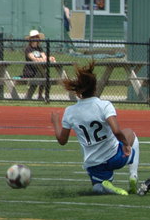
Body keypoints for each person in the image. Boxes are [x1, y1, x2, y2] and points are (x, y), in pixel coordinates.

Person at [50, 61, 140, 195]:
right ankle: (133, 176)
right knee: (130, 133)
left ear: (78, 91)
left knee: (97, 187)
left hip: (93, 163)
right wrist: (126, 144)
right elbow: (116, 131)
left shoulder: (70, 111)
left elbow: (62, 141)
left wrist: (55, 122)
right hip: (114, 157)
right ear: (95, 87)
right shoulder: (104, 105)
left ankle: (105, 186)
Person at [23, 30, 56, 100]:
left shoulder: (39, 48)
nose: (36, 38)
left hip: (39, 70)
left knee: (44, 75)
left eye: (37, 37)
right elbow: (33, 58)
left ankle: (40, 95)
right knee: (43, 75)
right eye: (34, 37)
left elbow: (44, 57)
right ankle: (30, 96)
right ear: (30, 39)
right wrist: (43, 59)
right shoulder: (28, 49)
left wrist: (50, 58)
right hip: (30, 71)